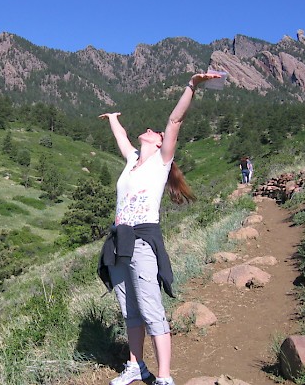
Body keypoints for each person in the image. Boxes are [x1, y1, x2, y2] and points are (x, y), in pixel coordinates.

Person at [97, 72, 221, 385]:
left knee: (151, 308)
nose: (151, 130)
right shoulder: (132, 160)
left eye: (155, 132)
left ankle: (164, 376)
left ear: (162, 143)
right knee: (129, 311)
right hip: (118, 241)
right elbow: (121, 138)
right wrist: (112, 118)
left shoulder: (161, 162)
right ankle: (136, 366)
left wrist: (192, 86)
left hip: (141, 240)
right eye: (150, 130)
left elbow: (175, 120)